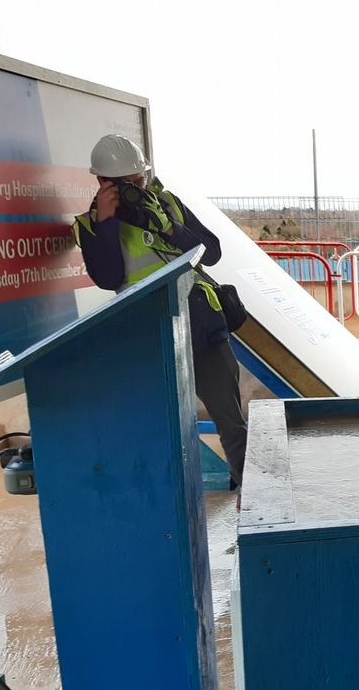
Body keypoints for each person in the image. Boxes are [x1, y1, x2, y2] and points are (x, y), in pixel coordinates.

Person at [73, 134, 246, 489]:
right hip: (147, 335)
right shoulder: (90, 225)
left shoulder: (167, 204)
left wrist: (169, 227)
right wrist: (107, 223)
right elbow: (108, 277)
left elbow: (210, 251)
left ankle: (250, 495)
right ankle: (166, 500)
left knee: (230, 420)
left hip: (200, 326)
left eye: (140, 180)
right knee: (157, 424)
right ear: (103, 183)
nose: (138, 189)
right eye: (126, 185)